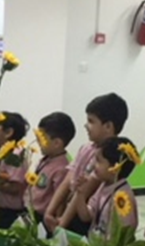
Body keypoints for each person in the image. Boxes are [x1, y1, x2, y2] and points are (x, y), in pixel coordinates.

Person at [44, 93, 128, 236]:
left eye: (91, 121)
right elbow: (67, 180)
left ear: (108, 126)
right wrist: (50, 211)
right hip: (68, 211)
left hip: (84, 215)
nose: (86, 125)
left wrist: (62, 223)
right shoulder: (86, 148)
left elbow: (85, 190)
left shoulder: (109, 156)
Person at [70, 136, 140, 235]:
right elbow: (86, 216)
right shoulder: (103, 185)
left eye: (99, 161)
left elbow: (124, 235)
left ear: (115, 167)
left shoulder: (123, 198)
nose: (94, 165)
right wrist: (80, 194)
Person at [30, 112, 75, 233]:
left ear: (56, 143)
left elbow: (61, 201)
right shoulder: (47, 159)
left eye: (42, 138)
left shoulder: (62, 168)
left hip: (45, 219)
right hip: (33, 214)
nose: (38, 141)